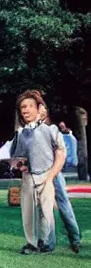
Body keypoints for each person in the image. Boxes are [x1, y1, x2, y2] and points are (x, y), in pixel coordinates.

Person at [10, 90, 65, 255]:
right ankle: (31, 243)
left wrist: (51, 176)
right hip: (28, 178)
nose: (25, 110)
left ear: (38, 108)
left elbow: (61, 153)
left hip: (46, 175)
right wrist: (20, 165)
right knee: (28, 212)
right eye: (22, 107)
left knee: (46, 212)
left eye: (29, 106)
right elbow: (15, 157)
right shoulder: (21, 133)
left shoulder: (50, 129)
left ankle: (47, 243)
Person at [39, 106, 81, 253]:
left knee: (51, 206)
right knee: (60, 204)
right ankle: (74, 238)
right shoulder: (46, 129)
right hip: (53, 171)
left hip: (51, 171)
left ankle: (50, 243)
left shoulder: (48, 130)